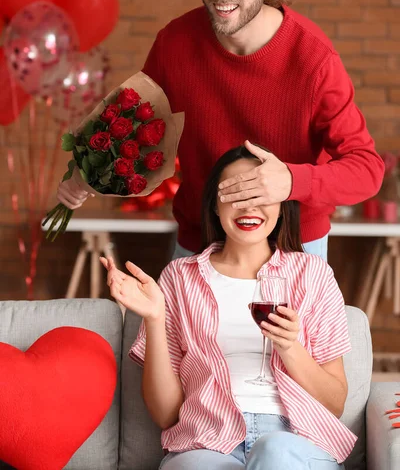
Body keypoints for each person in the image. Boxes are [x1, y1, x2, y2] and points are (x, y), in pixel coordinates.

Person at [58, 0, 384, 263]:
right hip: (201, 242)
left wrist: (291, 181)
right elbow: (137, 125)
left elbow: (367, 169)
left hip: (293, 248)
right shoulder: (175, 43)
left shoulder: (314, 59)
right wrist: (86, 174)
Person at [100, 144, 356, 469]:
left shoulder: (312, 275)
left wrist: (290, 347)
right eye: (234, 194)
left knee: (275, 454)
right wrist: (153, 317)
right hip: (207, 439)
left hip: (295, 438)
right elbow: (166, 415)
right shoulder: (180, 278)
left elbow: (334, 404)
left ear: (280, 205)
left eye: (259, 194)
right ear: (215, 207)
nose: (248, 207)